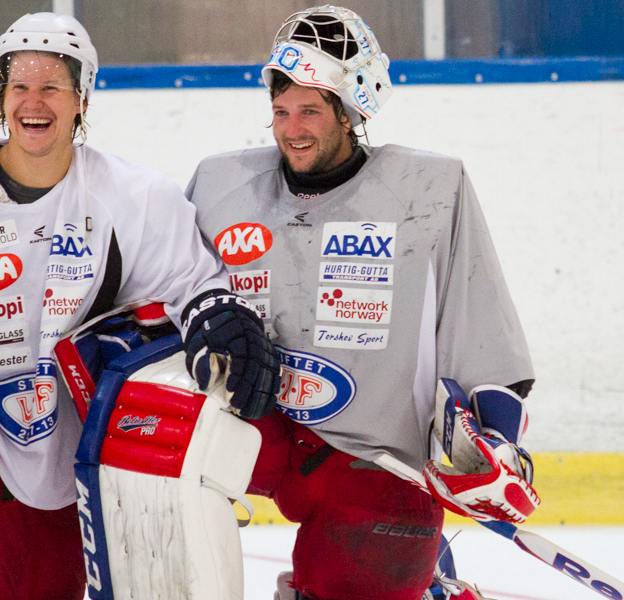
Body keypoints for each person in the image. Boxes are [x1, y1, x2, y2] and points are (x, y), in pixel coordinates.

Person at [0, 12, 278, 600]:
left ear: (81, 100)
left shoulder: (132, 196)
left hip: (56, 438)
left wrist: (221, 320)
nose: (32, 101)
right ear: (0, 97)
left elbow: (194, 284)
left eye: (51, 86)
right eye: (19, 85)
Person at [186, 6, 540, 600]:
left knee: (366, 570)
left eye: (310, 111)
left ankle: (432, 586)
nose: (291, 128)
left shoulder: (428, 193)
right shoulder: (221, 187)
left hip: (371, 461)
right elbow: (163, 295)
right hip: (253, 430)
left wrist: (497, 443)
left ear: (351, 114)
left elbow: (480, 331)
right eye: (280, 110)